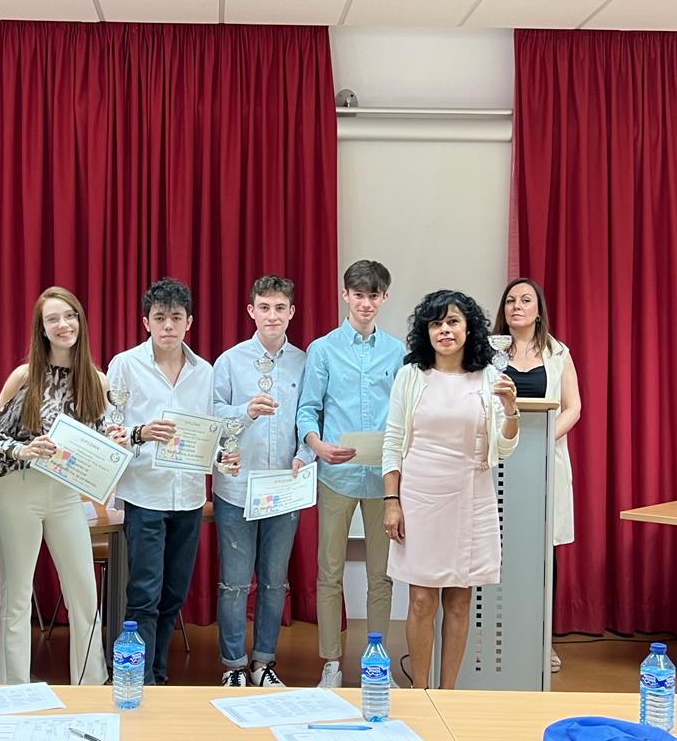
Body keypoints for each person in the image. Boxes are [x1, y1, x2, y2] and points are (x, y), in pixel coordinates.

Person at [381, 289, 519, 690]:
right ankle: (420, 689)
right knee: (421, 599)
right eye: (436, 323)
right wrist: (392, 500)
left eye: (453, 321)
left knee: (459, 601)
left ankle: (448, 693)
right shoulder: (411, 376)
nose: (445, 330)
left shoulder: (489, 377)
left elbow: (504, 447)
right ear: (426, 332)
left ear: (469, 328)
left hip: (471, 495)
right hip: (419, 495)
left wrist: (511, 411)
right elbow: (392, 442)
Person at [107, 278, 239, 685]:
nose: (168, 326)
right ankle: (138, 680)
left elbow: (207, 434)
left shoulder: (205, 371)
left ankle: (158, 676)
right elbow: (108, 430)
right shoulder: (125, 365)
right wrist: (141, 433)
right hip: (144, 493)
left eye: (176, 318)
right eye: (160, 317)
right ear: (145, 321)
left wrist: (222, 459)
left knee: (173, 594)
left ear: (189, 322)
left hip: (188, 497)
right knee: (144, 593)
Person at [0, 286, 110, 686]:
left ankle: (90, 688)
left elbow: (102, 444)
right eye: (52, 319)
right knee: (17, 596)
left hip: (67, 496)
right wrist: (23, 450)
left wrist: (117, 442)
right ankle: (14, 692)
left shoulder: (97, 382)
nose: (62, 325)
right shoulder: (24, 377)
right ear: (41, 328)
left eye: (69, 316)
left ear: (80, 321)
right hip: (19, 492)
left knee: (85, 596)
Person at [295, 260, 405, 688]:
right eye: (358, 295)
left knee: (382, 575)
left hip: (383, 480)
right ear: (345, 295)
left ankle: (377, 665)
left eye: (373, 296)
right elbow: (308, 409)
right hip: (336, 477)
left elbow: (404, 413)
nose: (365, 303)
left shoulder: (397, 352)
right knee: (330, 572)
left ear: (384, 298)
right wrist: (317, 445)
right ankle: (331, 663)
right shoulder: (323, 349)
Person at [212, 275, 313, 687]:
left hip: (284, 488)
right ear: (251, 311)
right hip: (236, 488)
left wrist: (305, 455)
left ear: (292, 312)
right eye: (265, 308)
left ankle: (263, 663)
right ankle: (233, 665)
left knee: (275, 582)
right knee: (235, 583)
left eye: (280, 308)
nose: (272, 316)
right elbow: (211, 414)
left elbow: (311, 416)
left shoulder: (304, 362)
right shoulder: (229, 361)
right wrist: (246, 411)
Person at [493, 277, 581, 673]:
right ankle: (494, 635)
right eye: (511, 300)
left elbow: (573, 407)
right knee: (497, 548)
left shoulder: (558, 352)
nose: (517, 306)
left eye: (525, 300)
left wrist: (544, 440)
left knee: (542, 553)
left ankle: (542, 641)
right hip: (499, 460)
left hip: (544, 461)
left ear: (538, 310)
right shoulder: (490, 353)